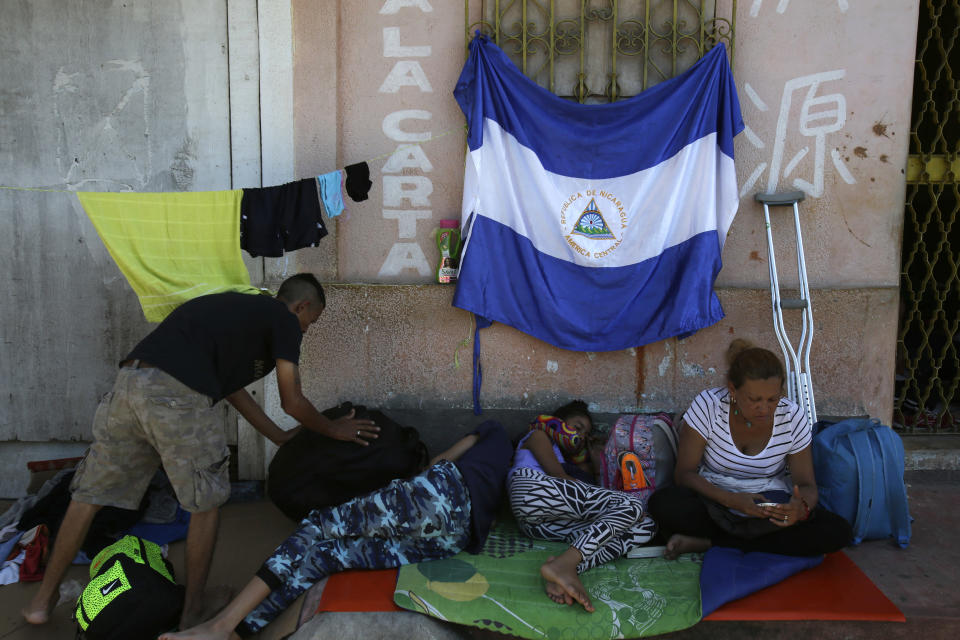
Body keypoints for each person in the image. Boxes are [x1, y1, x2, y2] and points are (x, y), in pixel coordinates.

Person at [23, 274, 380, 628]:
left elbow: (233, 390)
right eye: (310, 322)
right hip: (177, 396)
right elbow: (292, 399)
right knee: (205, 504)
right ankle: (193, 610)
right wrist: (335, 428)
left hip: (130, 385)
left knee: (88, 498)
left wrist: (279, 437)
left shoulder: (238, 312)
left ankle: (41, 602)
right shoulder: (282, 318)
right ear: (300, 306)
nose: (305, 331)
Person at [159, 420, 514, 640]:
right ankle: (239, 631)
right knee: (330, 555)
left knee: (318, 526)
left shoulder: (494, 430)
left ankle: (221, 625)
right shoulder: (513, 474)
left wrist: (402, 493)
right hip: (456, 537)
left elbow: (441, 461)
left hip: (440, 493)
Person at [648, 339, 852, 559]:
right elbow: (683, 475)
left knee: (837, 531)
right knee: (663, 504)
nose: (764, 408)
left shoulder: (792, 417)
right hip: (715, 502)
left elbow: (807, 485)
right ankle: (748, 543)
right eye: (754, 399)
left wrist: (799, 508)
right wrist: (730, 499)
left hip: (768, 508)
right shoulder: (708, 405)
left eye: (773, 399)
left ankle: (710, 543)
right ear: (733, 390)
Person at [508, 401, 657, 613]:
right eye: (577, 427)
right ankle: (564, 564)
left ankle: (567, 569)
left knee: (647, 526)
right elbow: (560, 478)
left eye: (585, 434)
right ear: (559, 423)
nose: (581, 437)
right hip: (532, 490)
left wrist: (596, 466)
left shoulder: (571, 465)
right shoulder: (538, 436)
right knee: (633, 505)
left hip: (537, 524)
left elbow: (600, 511)